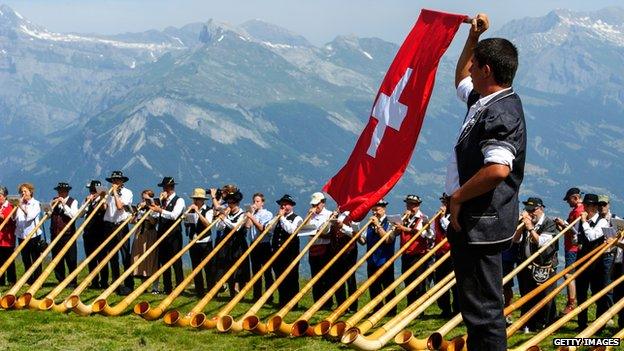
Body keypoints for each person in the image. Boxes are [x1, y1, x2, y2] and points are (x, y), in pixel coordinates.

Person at [446, 13, 526, 350]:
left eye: (475, 63)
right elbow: (460, 77)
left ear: (487, 71)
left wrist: (459, 197)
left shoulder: (501, 112)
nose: (470, 69)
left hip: (481, 222)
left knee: (484, 311)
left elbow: (497, 169)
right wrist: (472, 38)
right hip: (476, 221)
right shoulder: (485, 99)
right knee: (475, 307)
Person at [512, 197, 559, 332]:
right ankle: (529, 324)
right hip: (526, 265)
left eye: (533, 210)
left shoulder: (549, 223)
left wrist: (530, 228)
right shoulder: (527, 223)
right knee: (527, 295)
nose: (530, 213)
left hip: (545, 266)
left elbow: (543, 243)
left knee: (546, 297)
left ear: (540, 209)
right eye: (528, 210)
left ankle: (548, 324)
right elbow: (515, 240)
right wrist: (521, 226)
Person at [576, 193, 611, 330]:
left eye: (588, 205)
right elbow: (581, 239)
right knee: (581, 293)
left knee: (598, 294)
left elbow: (591, 236)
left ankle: (599, 325)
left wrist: (584, 222)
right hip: (582, 262)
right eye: (584, 205)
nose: (585, 208)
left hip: (597, 264)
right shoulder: (582, 222)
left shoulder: (602, 221)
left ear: (595, 207)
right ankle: (581, 324)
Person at [395, 194, 434, 305]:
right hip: (406, 254)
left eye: (412, 205)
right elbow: (397, 233)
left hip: (418, 254)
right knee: (407, 280)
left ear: (418, 206)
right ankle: (410, 304)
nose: (410, 207)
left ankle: (419, 307)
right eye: (408, 204)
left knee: (418, 281)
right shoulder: (405, 218)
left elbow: (420, 233)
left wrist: (403, 228)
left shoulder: (422, 218)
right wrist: (401, 222)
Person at [149, 177, 185, 295]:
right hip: (162, 233)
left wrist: (160, 210)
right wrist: (157, 205)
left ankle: (180, 287)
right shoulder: (162, 201)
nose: (164, 190)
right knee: (163, 261)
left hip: (174, 234)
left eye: (166, 187)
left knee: (176, 261)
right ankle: (167, 287)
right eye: (164, 187)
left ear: (171, 188)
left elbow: (174, 215)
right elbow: (155, 215)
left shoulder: (179, 200)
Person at [364, 199, 397, 316]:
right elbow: (363, 240)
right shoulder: (370, 224)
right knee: (374, 286)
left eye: (377, 210)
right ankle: (377, 309)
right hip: (372, 259)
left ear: (383, 209)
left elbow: (388, 239)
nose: (374, 213)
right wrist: (353, 231)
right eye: (373, 210)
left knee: (387, 285)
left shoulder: (391, 222)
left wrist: (378, 225)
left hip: (385, 259)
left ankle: (391, 310)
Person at [103, 170, 134, 294]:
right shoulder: (108, 193)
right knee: (112, 256)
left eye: (117, 180)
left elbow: (120, 206)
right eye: (113, 181)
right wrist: (102, 198)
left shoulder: (127, 193)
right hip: (108, 225)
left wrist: (115, 192)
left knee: (125, 255)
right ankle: (115, 283)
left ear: (122, 181)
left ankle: (129, 284)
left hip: (121, 225)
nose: (115, 182)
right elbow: (104, 208)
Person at [215, 189, 249, 298]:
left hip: (238, 245)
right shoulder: (227, 214)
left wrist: (225, 219)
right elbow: (219, 228)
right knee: (228, 268)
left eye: (232, 203)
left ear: (237, 203)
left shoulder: (243, 214)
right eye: (228, 203)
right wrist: (221, 218)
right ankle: (231, 293)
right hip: (227, 245)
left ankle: (240, 295)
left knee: (239, 270)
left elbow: (236, 227)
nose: (230, 205)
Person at [555, 187, 584, 314]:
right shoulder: (574, 211)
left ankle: (571, 302)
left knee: (569, 274)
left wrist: (564, 224)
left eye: (569, 199)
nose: (568, 202)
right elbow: (568, 231)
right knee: (569, 274)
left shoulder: (579, 211)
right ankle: (571, 300)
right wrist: (561, 226)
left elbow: (576, 231)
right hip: (569, 246)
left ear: (575, 198)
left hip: (573, 248)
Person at [271, 194, 304, 307]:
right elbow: (269, 229)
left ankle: (292, 303)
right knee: (279, 276)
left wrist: (281, 218)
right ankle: (282, 300)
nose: (283, 206)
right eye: (282, 204)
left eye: (285, 204)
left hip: (290, 253)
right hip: (277, 252)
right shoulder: (279, 217)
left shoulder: (297, 218)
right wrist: (277, 218)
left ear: (291, 206)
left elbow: (291, 230)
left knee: (292, 277)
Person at [184, 188, 215, 297]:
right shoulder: (191, 210)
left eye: (198, 199)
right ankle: (199, 292)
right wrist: (187, 216)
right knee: (196, 268)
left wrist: (197, 211)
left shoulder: (209, 210)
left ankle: (211, 292)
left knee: (208, 268)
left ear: (203, 200)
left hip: (205, 242)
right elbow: (187, 224)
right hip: (194, 241)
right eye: (195, 199)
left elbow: (208, 224)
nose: (195, 201)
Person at [14, 183, 46, 285]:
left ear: (30, 192)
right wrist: (16, 207)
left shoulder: (35, 203)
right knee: (25, 258)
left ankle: (37, 280)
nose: (23, 194)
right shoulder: (20, 204)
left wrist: (21, 207)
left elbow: (30, 216)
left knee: (35, 258)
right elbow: (14, 218)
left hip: (33, 235)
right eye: (21, 192)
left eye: (25, 191)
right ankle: (28, 279)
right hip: (21, 234)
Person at [245, 192, 274, 301]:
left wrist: (252, 217)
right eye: (254, 201)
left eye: (257, 201)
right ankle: (256, 295)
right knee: (255, 270)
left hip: (264, 244)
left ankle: (268, 296)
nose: (255, 203)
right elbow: (247, 226)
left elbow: (263, 229)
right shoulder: (253, 213)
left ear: (262, 203)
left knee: (267, 271)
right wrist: (250, 215)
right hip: (253, 244)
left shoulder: (267, 214)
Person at [49, 182, 79, 286]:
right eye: (59, 191)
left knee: (71, 258)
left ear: (67, 192)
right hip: (55, 233)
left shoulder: (73, 201)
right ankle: (60, 279)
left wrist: (63, 204)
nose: (60, 193)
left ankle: (72, 281)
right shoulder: (54, 201)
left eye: (62, 191)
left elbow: (73, 215)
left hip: (68, 234)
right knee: (57, 258)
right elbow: (47, 215)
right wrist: (52, 206)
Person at [329, 214, 361, 312]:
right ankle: (341, 304)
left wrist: (342, 226)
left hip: (349, 251)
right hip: (336, 251)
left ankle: (353, 306)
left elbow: (355, 234)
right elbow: (328, 232)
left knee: (350, 280)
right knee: (337, 278)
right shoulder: (334, 216)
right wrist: (330, 219)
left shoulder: (354, 217)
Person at [433, 194, 458, 318]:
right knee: (440, 282)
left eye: (446, 202)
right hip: (440, 254)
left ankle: (457, 309)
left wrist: (442, 217)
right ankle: (445, 309)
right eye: (443, 202)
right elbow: (435, 233)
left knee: (455, 283)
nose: (444, 205)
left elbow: (450, 228)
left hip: (452, 254)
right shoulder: (438, 217)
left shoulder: (455, 215)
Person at [307, 192, 333, 309]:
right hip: (313, 248)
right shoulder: (310, 215)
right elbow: (305, 230)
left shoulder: (329, 215)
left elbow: (330, 234)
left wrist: (318, 234)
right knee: (315, 276)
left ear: (323, 203)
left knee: (326, 277)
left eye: (317, 204)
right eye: (314, 205)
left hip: (325, 248)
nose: (315, 207)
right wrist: (308, 217)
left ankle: (327, 303)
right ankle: (316, 302)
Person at [132, 189, 160, 294]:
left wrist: (148, 212)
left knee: (151, 260)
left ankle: (155, 287)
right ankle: (143, 286)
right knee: (140, 259)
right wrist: (135, 214)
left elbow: (154, 222)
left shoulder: (155, 207)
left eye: (146, 198)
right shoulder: (140, 207)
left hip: (150, 234)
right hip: (140, 234)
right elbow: (133, 221)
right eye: (142, 198)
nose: (143, 200)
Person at [83, 180, 107, 288]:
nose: (91, 192)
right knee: (90, 259)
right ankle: (94, 281)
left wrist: (101, 197)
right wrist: (86, 203)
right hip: (88, 233)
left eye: (93, 190)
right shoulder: (88, 201)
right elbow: (81, 214)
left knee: (102, 258)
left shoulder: (103, 200)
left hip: (100, 232)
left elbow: (104, 208)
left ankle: (104, 281)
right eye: (90, 190)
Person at [0, 186, 16, 286]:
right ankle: (1, 281)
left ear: (5, 196)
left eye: (0, 196)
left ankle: (11, 280)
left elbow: (11, 220)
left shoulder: (10, 206)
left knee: (9, 260)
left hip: (7, 237)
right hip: (0, 238)